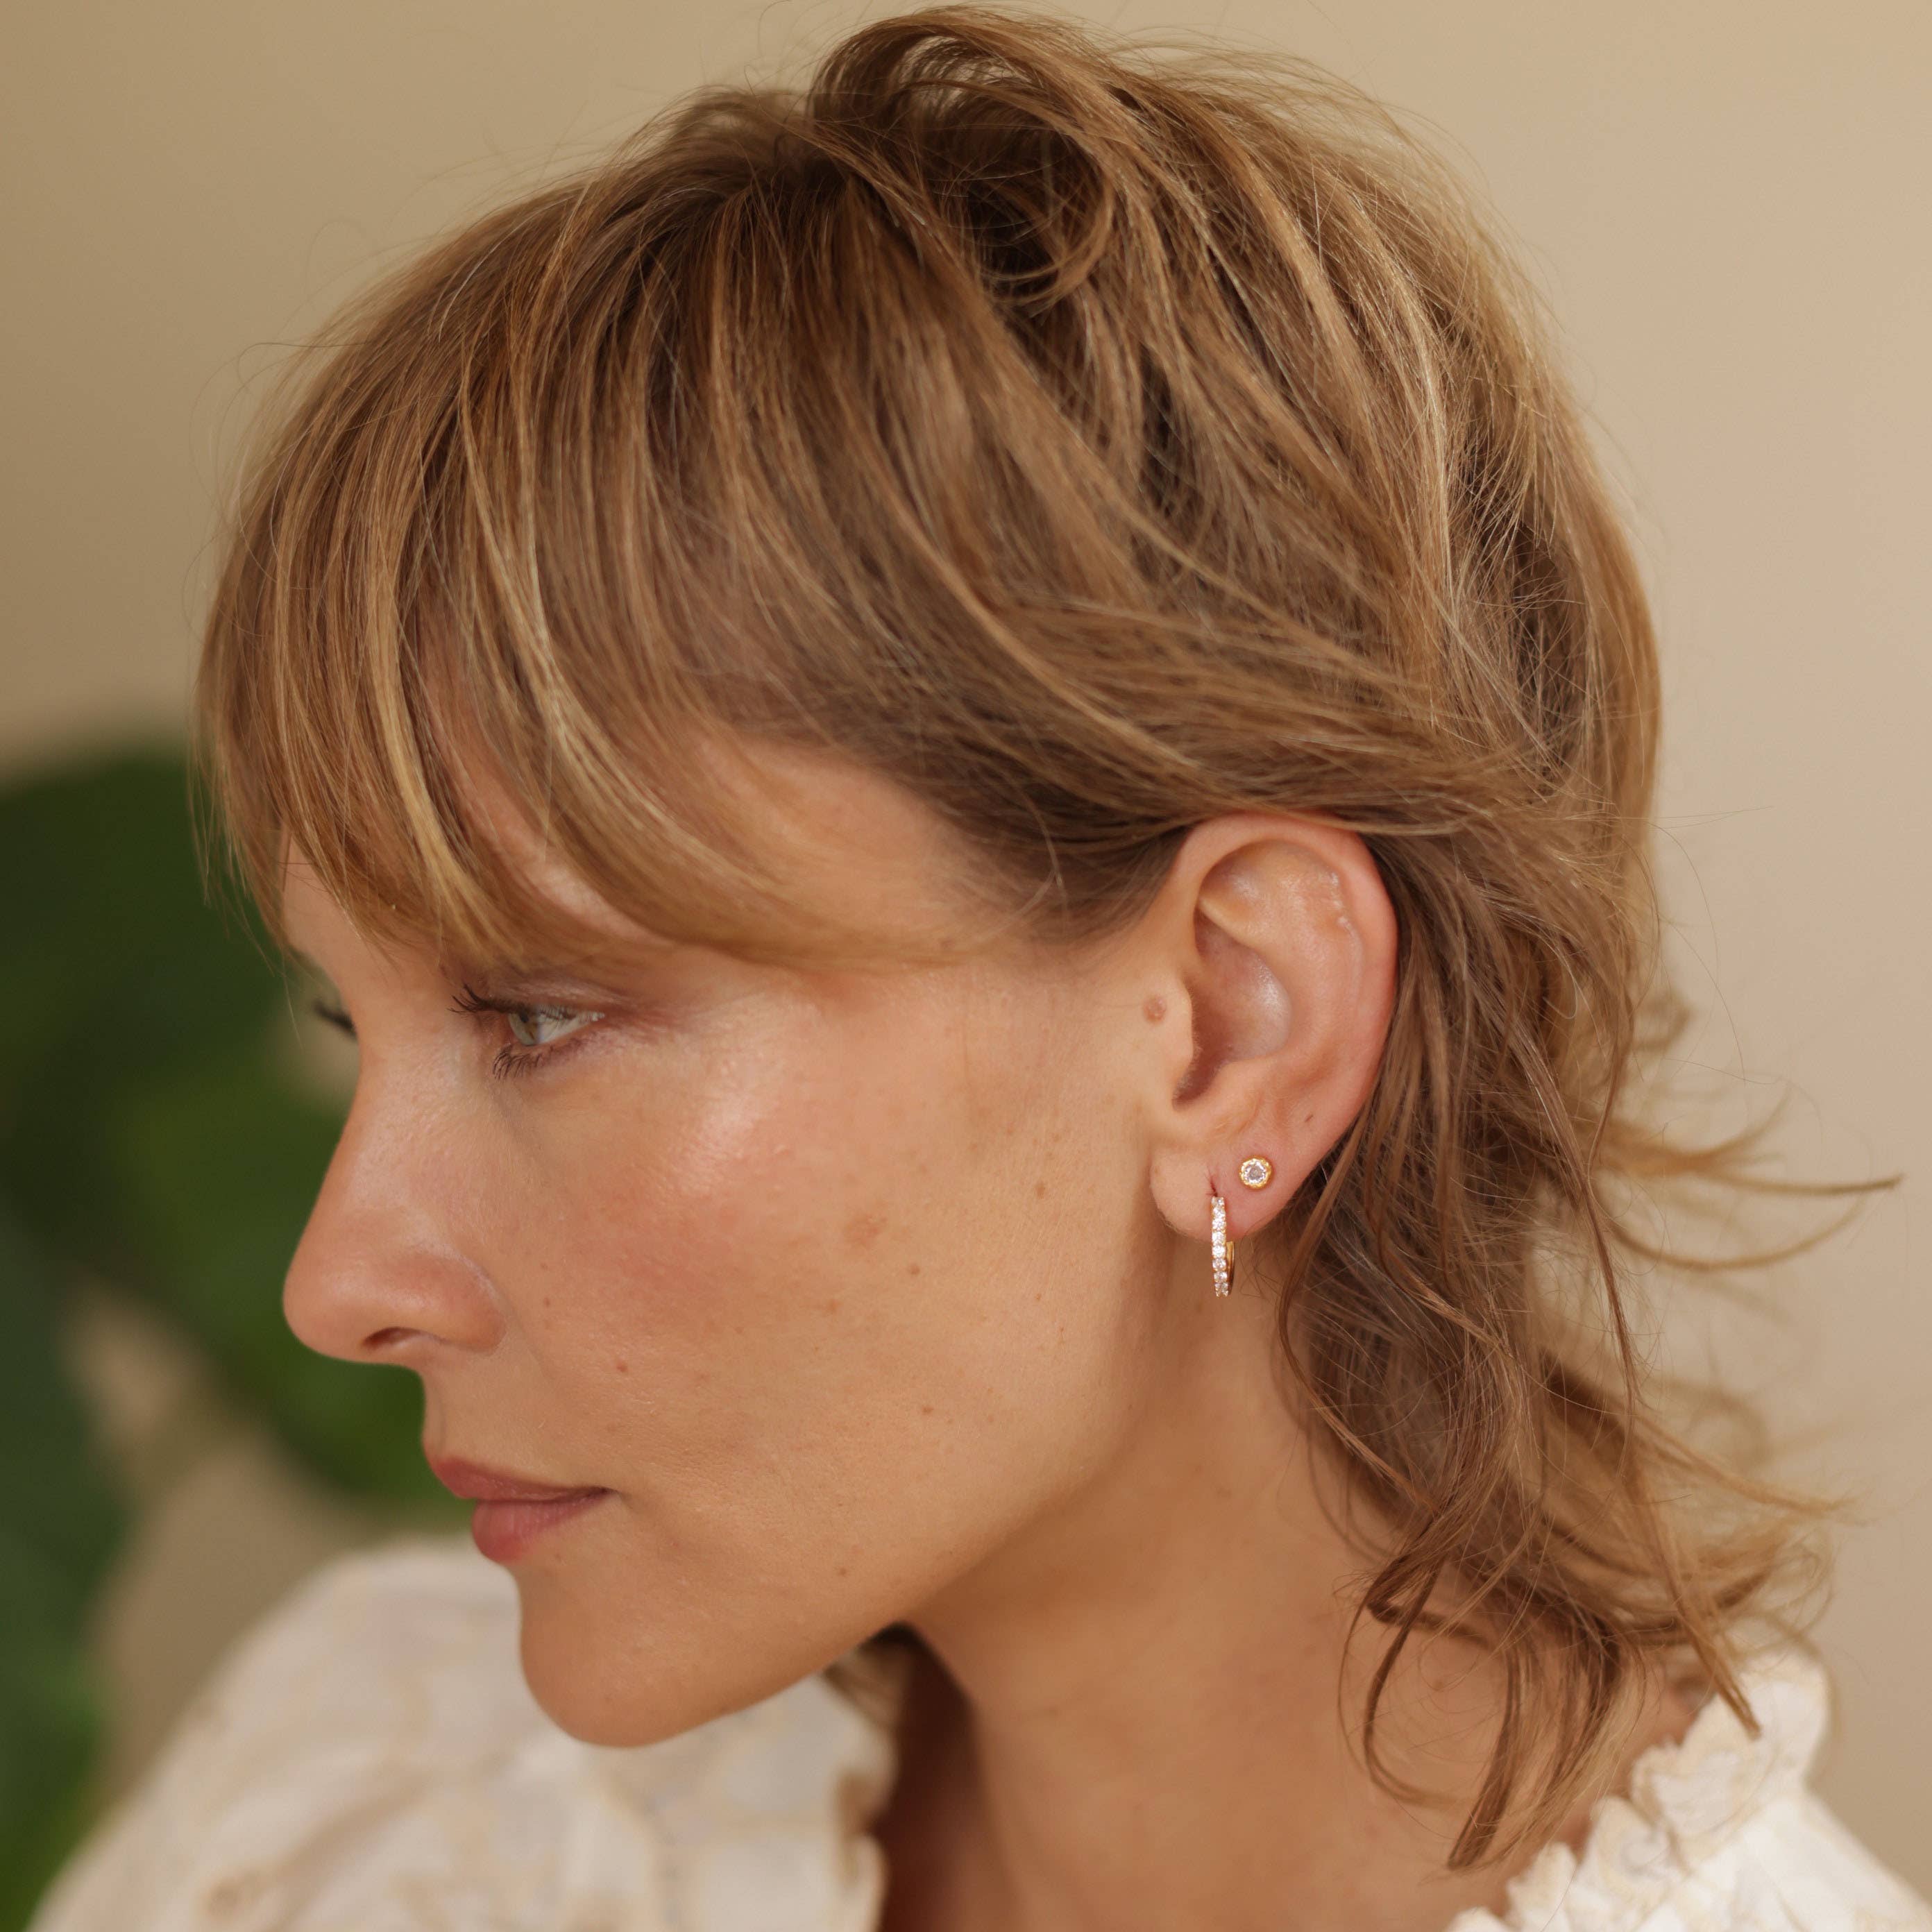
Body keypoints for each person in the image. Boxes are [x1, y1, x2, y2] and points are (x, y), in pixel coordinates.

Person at [27, 7, 1930, 1930]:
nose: (340, 1281)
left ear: (1231, 1030)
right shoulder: (374, 1804)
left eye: (539, 1015)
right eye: (360, 1025)